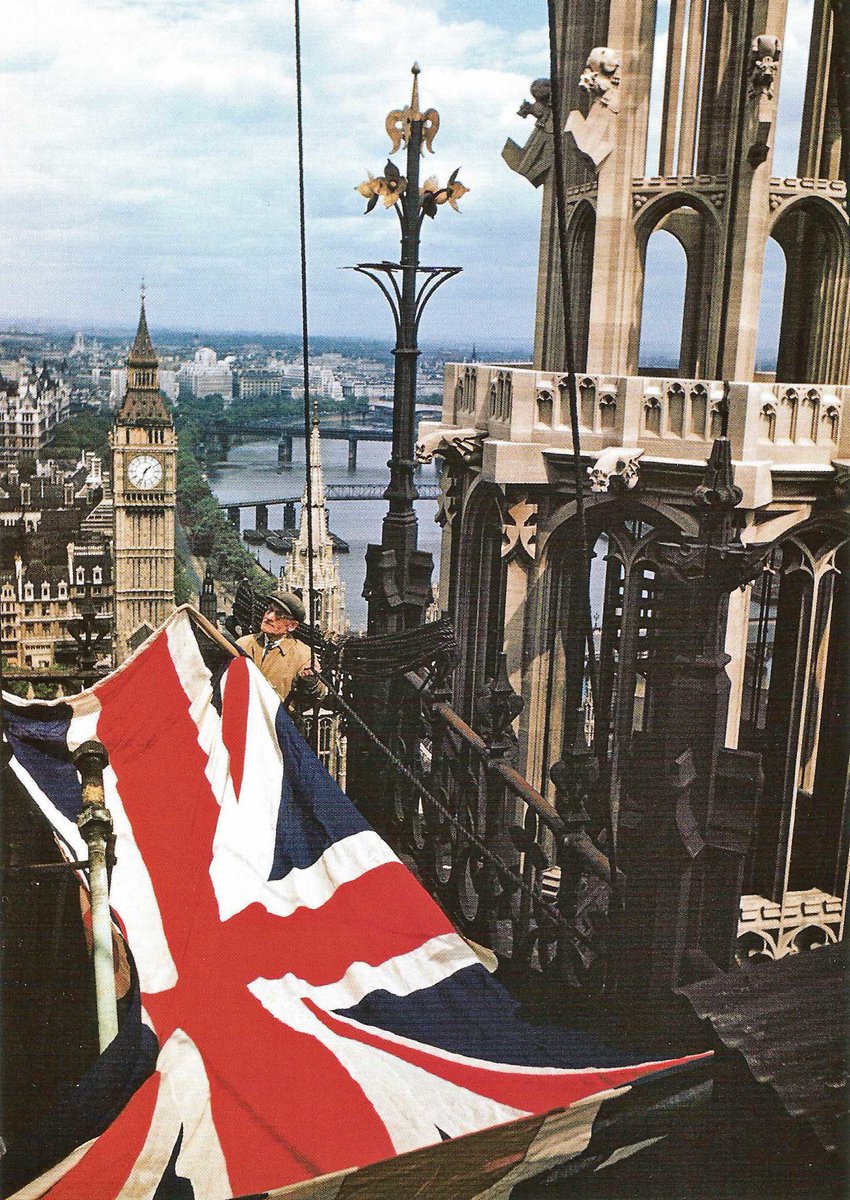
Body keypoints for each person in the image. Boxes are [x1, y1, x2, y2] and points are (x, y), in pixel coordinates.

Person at [236, 588, 325, 709]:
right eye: (269, 610)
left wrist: (311, 681)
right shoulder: (243, 644)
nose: (269, 617)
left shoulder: (303, 655)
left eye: (279, 615)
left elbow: (318, 696)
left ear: (292, 626)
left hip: (277, 723)